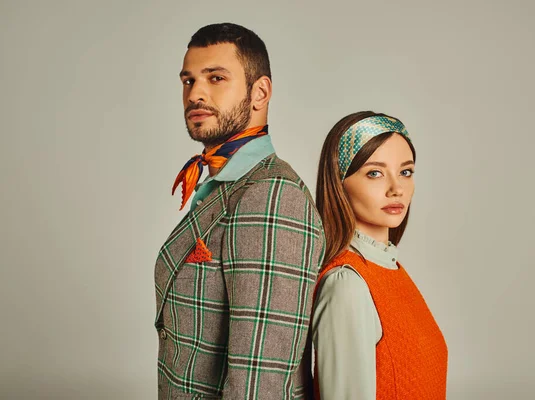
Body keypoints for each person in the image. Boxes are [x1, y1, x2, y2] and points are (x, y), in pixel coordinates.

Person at [154, 23, 325, 399]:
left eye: (216, 78)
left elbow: (259, 382)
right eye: (188, 81)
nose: (195, 93)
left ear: (259, 92)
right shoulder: (227, 181)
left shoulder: (272, 196)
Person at [312, 111, 448, 399]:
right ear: (339, 182)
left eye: (405, 172)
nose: (396, 188)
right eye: (374, 173)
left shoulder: (390, 268)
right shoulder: (347, 284)